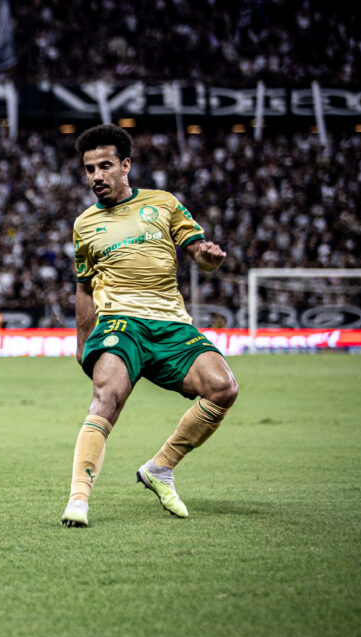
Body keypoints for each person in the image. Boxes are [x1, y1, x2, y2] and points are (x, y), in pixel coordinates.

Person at [60, 123, 238, 528]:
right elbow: (85, 288)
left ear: (125, 166)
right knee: (107, 399)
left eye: (104, 166)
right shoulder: (84, 224)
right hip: (120, 324)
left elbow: (198, 251)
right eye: (89, 169)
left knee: (223, 388)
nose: (96, 177)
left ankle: (160, 467)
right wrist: (82, 340)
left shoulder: (163, 203)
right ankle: (78, 499)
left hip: (171, 323)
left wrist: (209, 257)